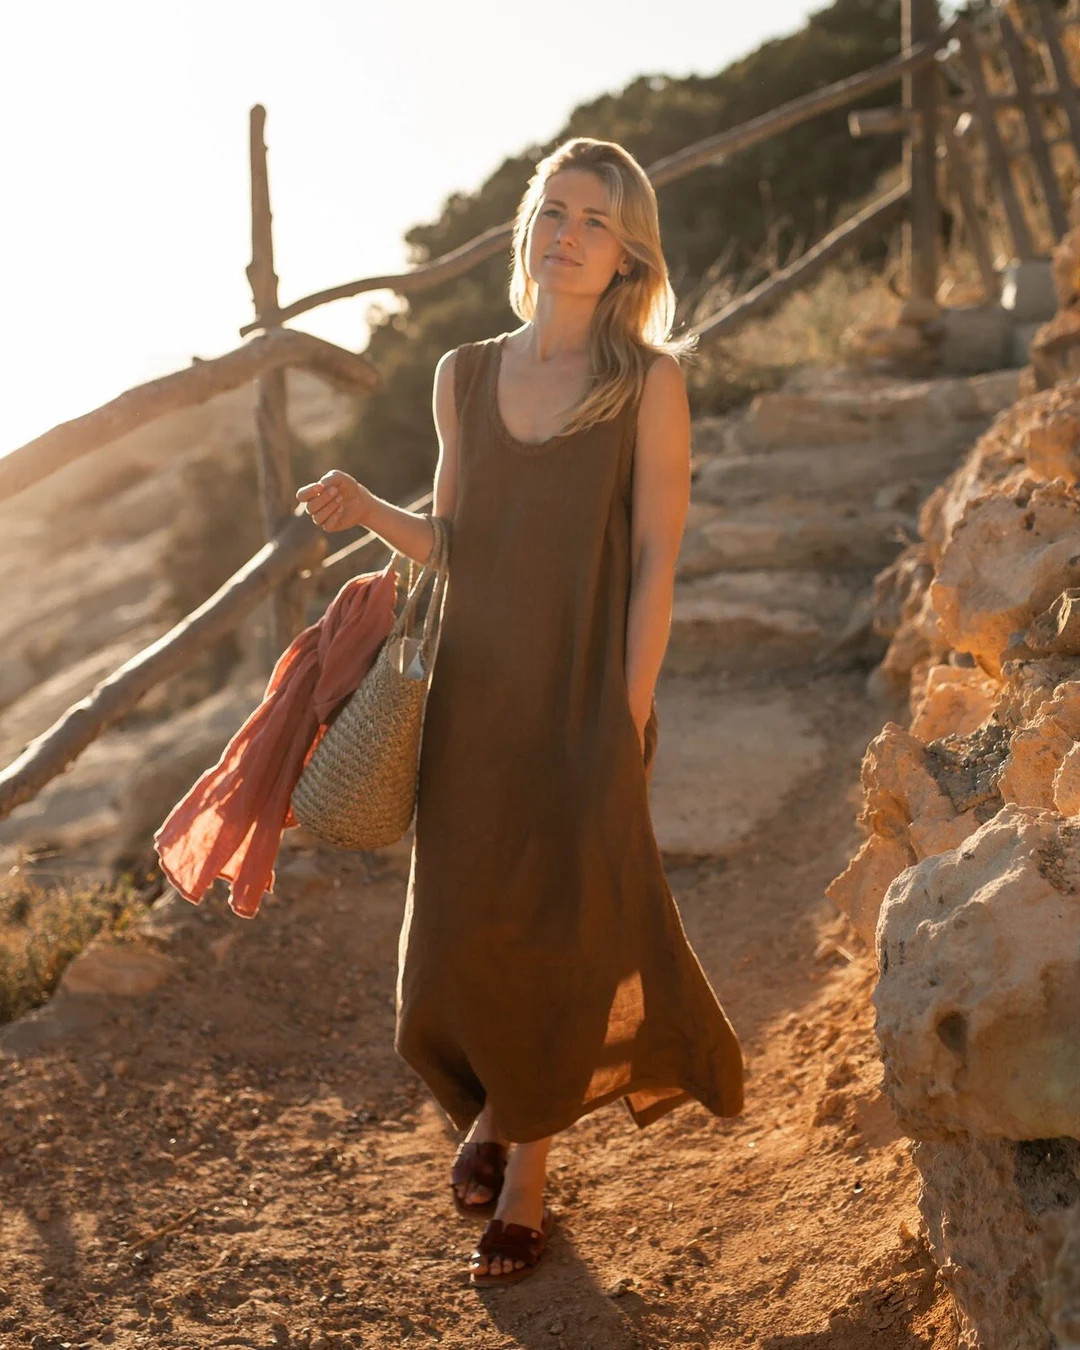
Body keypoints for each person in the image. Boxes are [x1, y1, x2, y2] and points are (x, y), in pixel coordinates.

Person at [296, 136, 744, 1287]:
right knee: (453, 941)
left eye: (595, 218)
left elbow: (655, 562)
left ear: (628, 250)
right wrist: (368, 511)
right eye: (552, 210)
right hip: (471, 700)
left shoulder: (649, 382)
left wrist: (624, 718)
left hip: (586, 697)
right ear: (527, 230)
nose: (566, 232)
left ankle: (527, 1171)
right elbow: (454, 542)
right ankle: (492, 1108)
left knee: (558, 932)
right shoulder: (462, 373)